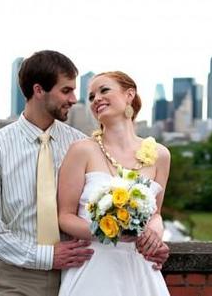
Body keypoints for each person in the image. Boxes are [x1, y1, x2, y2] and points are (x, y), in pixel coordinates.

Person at [0, 50, 94, 296]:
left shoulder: (81, 145)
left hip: (78, 276)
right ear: (39, 90)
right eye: (66, 90)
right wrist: (46, 256)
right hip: (17, 279)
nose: (73, 99)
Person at [57, 71, 171, 296]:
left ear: (129, 94)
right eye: (91, 97)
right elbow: (65, 217)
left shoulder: (160, 155)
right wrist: (107, 231)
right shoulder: (81, 150)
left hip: (140, 267)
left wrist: (154, 232)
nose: (96, 99)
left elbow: (156, 213)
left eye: (104, 90)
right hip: (92, 269)